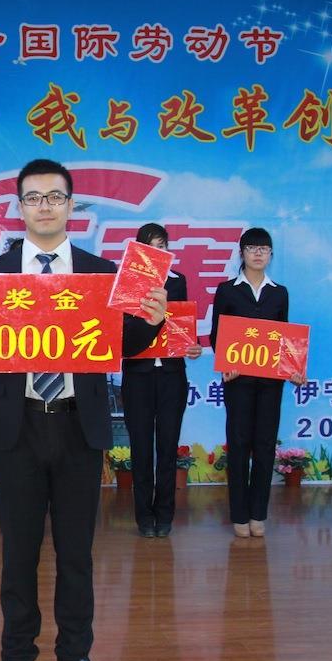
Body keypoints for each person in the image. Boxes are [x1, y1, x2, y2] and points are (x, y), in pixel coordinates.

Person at [0, 158, 167, 661]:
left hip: (76, 426)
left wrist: (152, 321)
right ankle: (16, 659)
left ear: (71, 205)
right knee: (18, 553)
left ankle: (75, 656)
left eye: (54, 197)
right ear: (19, 207)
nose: (44, 206)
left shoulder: (100, 273)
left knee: (76, 554)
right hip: (17, 427)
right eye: (33, 197)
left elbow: (123, 344)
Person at [210, 228, 305, 539]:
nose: (258, 253)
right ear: (242, 253)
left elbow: (286, 336)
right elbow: (216, 335)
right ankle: (239, 514)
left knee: (264, 445)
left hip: (270, 382)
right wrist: (226, 363)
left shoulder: (280, 293)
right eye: (252, 248)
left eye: (264, 248)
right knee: (238, 444)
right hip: (237, 381)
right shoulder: (227, 290)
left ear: (271, 254)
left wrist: (293, 368)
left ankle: (258, 513)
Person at [120, 223, 204, 539]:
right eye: (152, 246)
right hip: (138, 376)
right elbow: (123, 336)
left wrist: (193, 346)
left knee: (167, 447)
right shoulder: (127, 285)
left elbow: (181, 326)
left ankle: (165, 515)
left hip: (171, 375)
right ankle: (144, 516)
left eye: (163, 246)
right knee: (141, 448)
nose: (159, 252)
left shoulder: (178, 281)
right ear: (139, 251)